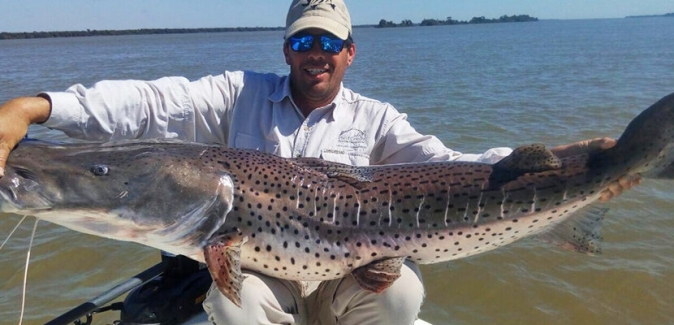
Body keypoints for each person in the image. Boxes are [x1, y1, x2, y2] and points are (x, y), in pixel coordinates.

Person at [0, 0, 639, 324]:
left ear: (351, 52)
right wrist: (34, 107)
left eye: (329, 43)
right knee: (231, 303)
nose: (317, 54)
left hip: (348, 283)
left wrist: (575, 167)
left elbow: (454, 165)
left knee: (404, 294)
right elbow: (146, 106)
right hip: (269, 279)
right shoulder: (237, 94)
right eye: (304, 40)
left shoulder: (378, 120)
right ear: (287, 47)